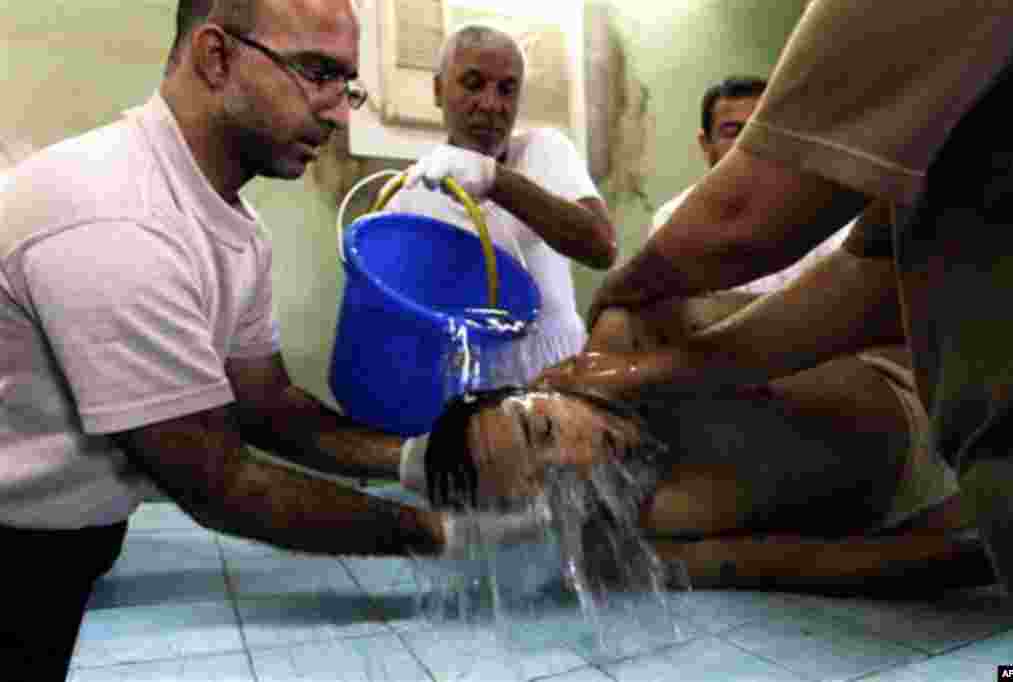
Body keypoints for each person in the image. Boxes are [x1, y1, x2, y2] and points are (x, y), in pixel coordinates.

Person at [0, 2, 543, 678]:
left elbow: (267, 403)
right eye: (317, 73)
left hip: (77, 529)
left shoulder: (233, 225)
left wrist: (416, 459)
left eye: (346, 84)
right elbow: (217, 479)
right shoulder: (116, 219)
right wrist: (440, 532)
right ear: (216, 57)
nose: (339, 111)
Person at [537, 1, 1013, 600]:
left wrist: (629, 325)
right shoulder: (650, 501)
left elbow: (748, 221)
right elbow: (868, 281)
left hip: (904, 420)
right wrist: (645, 362)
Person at [410, 296, 990, 598]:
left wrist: (627, 356)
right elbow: (813, 564)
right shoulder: (640, 540)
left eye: (544, 431)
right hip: (928, 503)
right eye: (547, 483)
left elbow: (640, 292)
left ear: (546, 387)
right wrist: (988, 557)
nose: (573, 460)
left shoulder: (637, 336)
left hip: (918, 371)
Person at [383, 23, 617, 386]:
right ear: (437, 90)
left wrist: (494, 178)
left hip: (560, 387)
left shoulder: (544, 150)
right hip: (468, 399)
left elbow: (601, 247)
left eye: (507, 89)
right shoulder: (410, 198)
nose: (492, 105)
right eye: (473, 84)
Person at [651, 75, 850, 296]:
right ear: (706, 144)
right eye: (732, 132)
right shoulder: (671, 220)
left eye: (761, 130)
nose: (748, 144)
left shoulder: (825, 220)